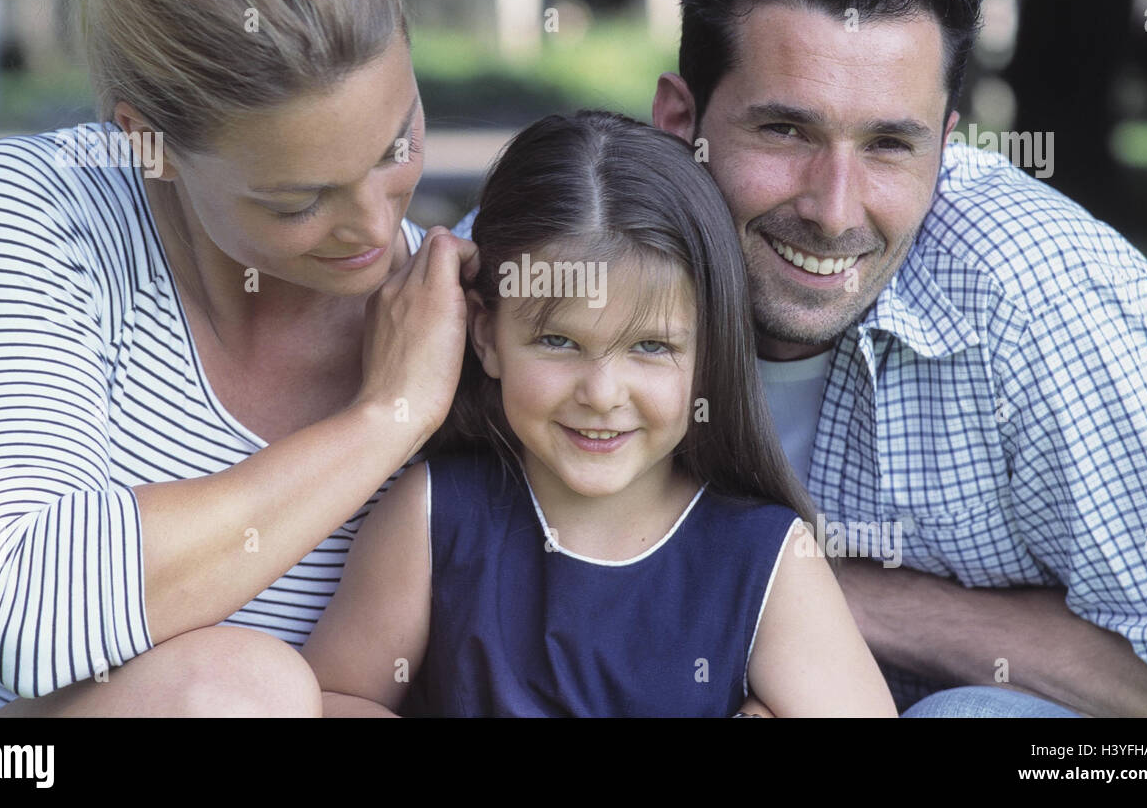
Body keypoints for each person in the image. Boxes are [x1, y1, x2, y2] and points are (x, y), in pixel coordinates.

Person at [0, 0, 476, 716]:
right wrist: (386, 418)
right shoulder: (39, 209)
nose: (370, 225)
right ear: (147, 143)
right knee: (239, 693)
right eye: (299, 199)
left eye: (397, 146)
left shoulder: (456, 300)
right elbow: (29, 610)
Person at [651, 0, 1147, 717]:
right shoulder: (566, 256)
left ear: (945, 148)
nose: (834, 211)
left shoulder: (1044, 295)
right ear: (677, 122)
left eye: (888, 145)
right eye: (785, 131)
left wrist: (806, 589)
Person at [301, 110, 898, 717]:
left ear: (712, 350)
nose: (603, 393)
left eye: (651, 347)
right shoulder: (433, 515)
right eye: (559, 342)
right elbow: (335, 698)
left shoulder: (767, 558)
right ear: (486, 336)